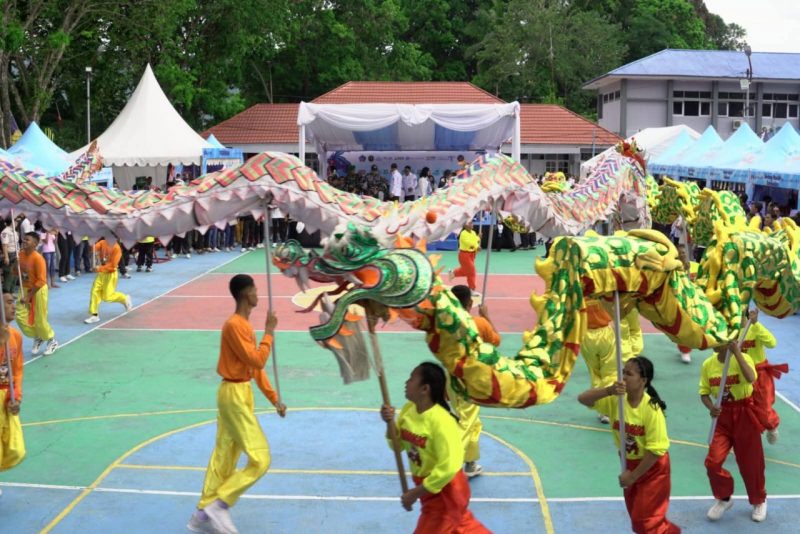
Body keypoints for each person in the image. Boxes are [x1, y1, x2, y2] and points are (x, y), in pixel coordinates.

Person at [188, 274, 286, 534]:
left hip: (239, 392)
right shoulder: (234, 325)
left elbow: (254, 369)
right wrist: (269, 332)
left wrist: (274, 398)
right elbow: (257, 360)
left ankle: (201, 514)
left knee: (224, 455)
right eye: (254, 290)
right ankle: (220, 504)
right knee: (260, 458)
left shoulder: (244, 325)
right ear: (245, 294)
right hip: (234, 395)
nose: (257, 294)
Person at [379, 362, 489, 534]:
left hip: (446, 490)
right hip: (428, 488)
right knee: (462, 526)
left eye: (411, 379)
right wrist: (389, 423)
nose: (406, 383)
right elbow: (397, 445)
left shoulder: (442, 422)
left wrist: (415, 493)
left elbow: (450, 467)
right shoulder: (409, 411)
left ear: (425, 389)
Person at [578, 357, 679, 534]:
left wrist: (632, 477)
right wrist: (608, 390)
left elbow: (655, 451)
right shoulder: (616, 401)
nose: (623, 377)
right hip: (629, 464)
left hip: (652, 468)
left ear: (643, 380)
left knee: (645, 522)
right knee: (638, 520)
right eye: (623, 372)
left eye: (629, 374)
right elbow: (583, 399)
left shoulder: (651, 409)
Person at [700, 342, 766, 522]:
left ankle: (759, 500)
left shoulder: (744, 358)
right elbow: (704, 393)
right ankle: (724, 497)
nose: (714, 342)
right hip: (722, 417)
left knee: (751, 463)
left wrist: (737, 353)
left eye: (718, 339)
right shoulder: (708, 365)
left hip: (745, 413)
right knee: (712, 462)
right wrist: (711, 407)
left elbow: (751, 378)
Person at [449, 285, 501, 478]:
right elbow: (495, 341)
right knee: (466, 421)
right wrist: (486, 317)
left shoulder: (445, 323)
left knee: (472, 421)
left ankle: (470, 463)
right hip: (471, 378)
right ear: (470, 303)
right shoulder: (479, 323)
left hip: (451, 375)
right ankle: (451, 465)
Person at [580, 300, 633, 424]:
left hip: (586, 336)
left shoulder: (578, 293)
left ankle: (602, 408)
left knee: (595, 373)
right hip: (605, 333)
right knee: (610, 372)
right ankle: (610, 409)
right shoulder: (602, 291)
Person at [741, 308, 786, 445]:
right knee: (742, 407)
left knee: (764, 409)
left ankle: (771, 426)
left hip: (760, 375)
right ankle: (746, 436)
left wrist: (756, 323)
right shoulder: (732, 333)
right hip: (741, 375)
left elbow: (772, 343)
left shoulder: (755, 329)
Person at [14, 232, 58, 356]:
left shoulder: (38, 258)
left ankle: (51, 340)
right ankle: (38, 336)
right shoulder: (20, 255)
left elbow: (41, 281)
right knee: (20, 316)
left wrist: (29, 297)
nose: (24, 241)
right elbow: (15, 273)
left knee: (40, 319)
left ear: (35, 244)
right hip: (24, 288)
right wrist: (15, 264)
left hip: (38, 290)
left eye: (27, 240)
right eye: (24, 239)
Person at [0, 290, 25, 474]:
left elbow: (17, 371)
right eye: (8, 303)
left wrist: (15, 396)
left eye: (13, 302)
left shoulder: (15, 336)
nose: (13, 306)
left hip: (6, 398)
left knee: (14, 449)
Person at [84, 236, 133, 324]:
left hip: (111, 274)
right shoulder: (103, 242)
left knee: (107, 297)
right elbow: (93, 248)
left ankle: (124, 298)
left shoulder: (117, 248)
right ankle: (94, 315)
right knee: (94, 291)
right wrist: (91, 243)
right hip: (101, 274)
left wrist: (99, 268)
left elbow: (113, 265)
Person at [448, 220, 480, 291]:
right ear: (465, 226)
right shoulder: (463, 234)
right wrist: (476, 246)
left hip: (472, 255)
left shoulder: (473, 232)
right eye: (469, 223)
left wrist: (478, 238)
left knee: (466, 271)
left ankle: (453, 273)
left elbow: (475, 240)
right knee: (472, 272)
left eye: (472, 223)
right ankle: (472, 288)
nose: (472, 224)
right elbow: (469, 243)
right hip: (464, 255)